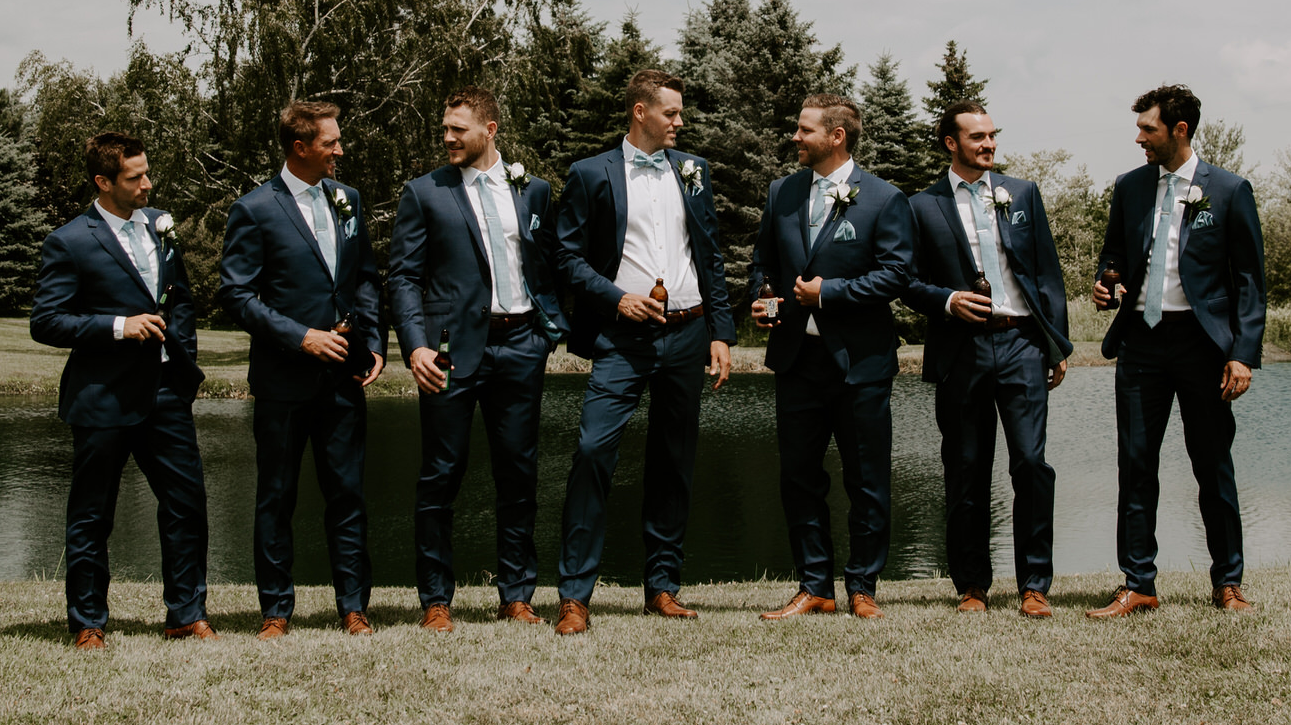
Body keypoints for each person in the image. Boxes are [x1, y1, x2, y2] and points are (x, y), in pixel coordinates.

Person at [549, 70, 734, 635]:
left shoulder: (694, 171)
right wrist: (616, 299)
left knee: (674, 462)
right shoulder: (590, 174)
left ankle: (662, 588)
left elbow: (712, 257)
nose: (680, 122)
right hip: (621, 338)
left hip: (687, 334)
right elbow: (565, 256)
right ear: (640, 112)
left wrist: (721, 332)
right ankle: (575, 597)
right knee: (591, 450)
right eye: (671, 113)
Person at [385, 89, 566, 630]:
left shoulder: (531, 190)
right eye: (444, 128)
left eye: (458, 129)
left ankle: (517, 596)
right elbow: (404, 278)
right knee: (440, 475)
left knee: (519, 473)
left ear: (490, 128)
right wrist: (415, 344)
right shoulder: (424, 193)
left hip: (521, 347)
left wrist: (549, 331)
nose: (447, 138)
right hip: (448, 355)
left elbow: (551, 263)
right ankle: (436, 601)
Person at [1087, 84, 1266, 618]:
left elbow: (1251, 282)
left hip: (1203, 346)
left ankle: (1228, 583)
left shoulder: (1230, 191)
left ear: (1179, 131)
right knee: (1136, 465)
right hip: (1140, 345)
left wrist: (1243, 354)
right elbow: (1113, 255)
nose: (1139, 138)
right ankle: (1138, 583)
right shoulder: (1130, 187)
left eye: (1149, 129)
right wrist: (1104, 284)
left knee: (1212, 466)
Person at [29, 132, 212, 649]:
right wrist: (117, 326)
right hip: (102, 396)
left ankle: (185, 613)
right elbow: (46, 322)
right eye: (135, 177)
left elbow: (181, 303)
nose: (147, 184)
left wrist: (186, 369)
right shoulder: (70, 240)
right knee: (93, 514)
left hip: (165, 395)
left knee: (186, 504)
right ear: (103, 182)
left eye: (147, 172)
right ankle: (88, 623)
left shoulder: (159, 228)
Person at [215, 100, 386, 636]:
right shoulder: (254, 209)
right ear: (300, 147)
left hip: (344, 377)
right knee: (276, 496)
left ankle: (354, 608)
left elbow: (363, 278)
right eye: (331, 142)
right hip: (283, 380)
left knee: (348, 494)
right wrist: (302, 337)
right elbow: (236, 297)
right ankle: (275, 611)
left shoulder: (348, 200)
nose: (341, 149)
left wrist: (374, 342)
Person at [748, 94, 915, 621]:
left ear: (836, 135)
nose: (795, 137)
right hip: (798, 359)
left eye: (804, 129)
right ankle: (814, 586)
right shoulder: (783, 191)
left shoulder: (885, 199)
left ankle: (863, 586)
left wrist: (830, 293)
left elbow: (896, 275)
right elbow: (764, 263)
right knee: (798, 476)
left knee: (866, 479)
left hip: (860, 362)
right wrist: (762, 297)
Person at [904, 103, 1073, 616]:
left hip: (1022, 342)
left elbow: (1047, 271)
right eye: (977, 137)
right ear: (950, 143)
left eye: (992, 136)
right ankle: (972, 587)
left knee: (1031, 465)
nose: (989, 145)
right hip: (962, 348)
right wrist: (948, 300)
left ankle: (1034, 586)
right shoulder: (920, 206)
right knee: (966, 469)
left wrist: (1056, 343)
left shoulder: (1021, 193)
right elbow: (905, 280)